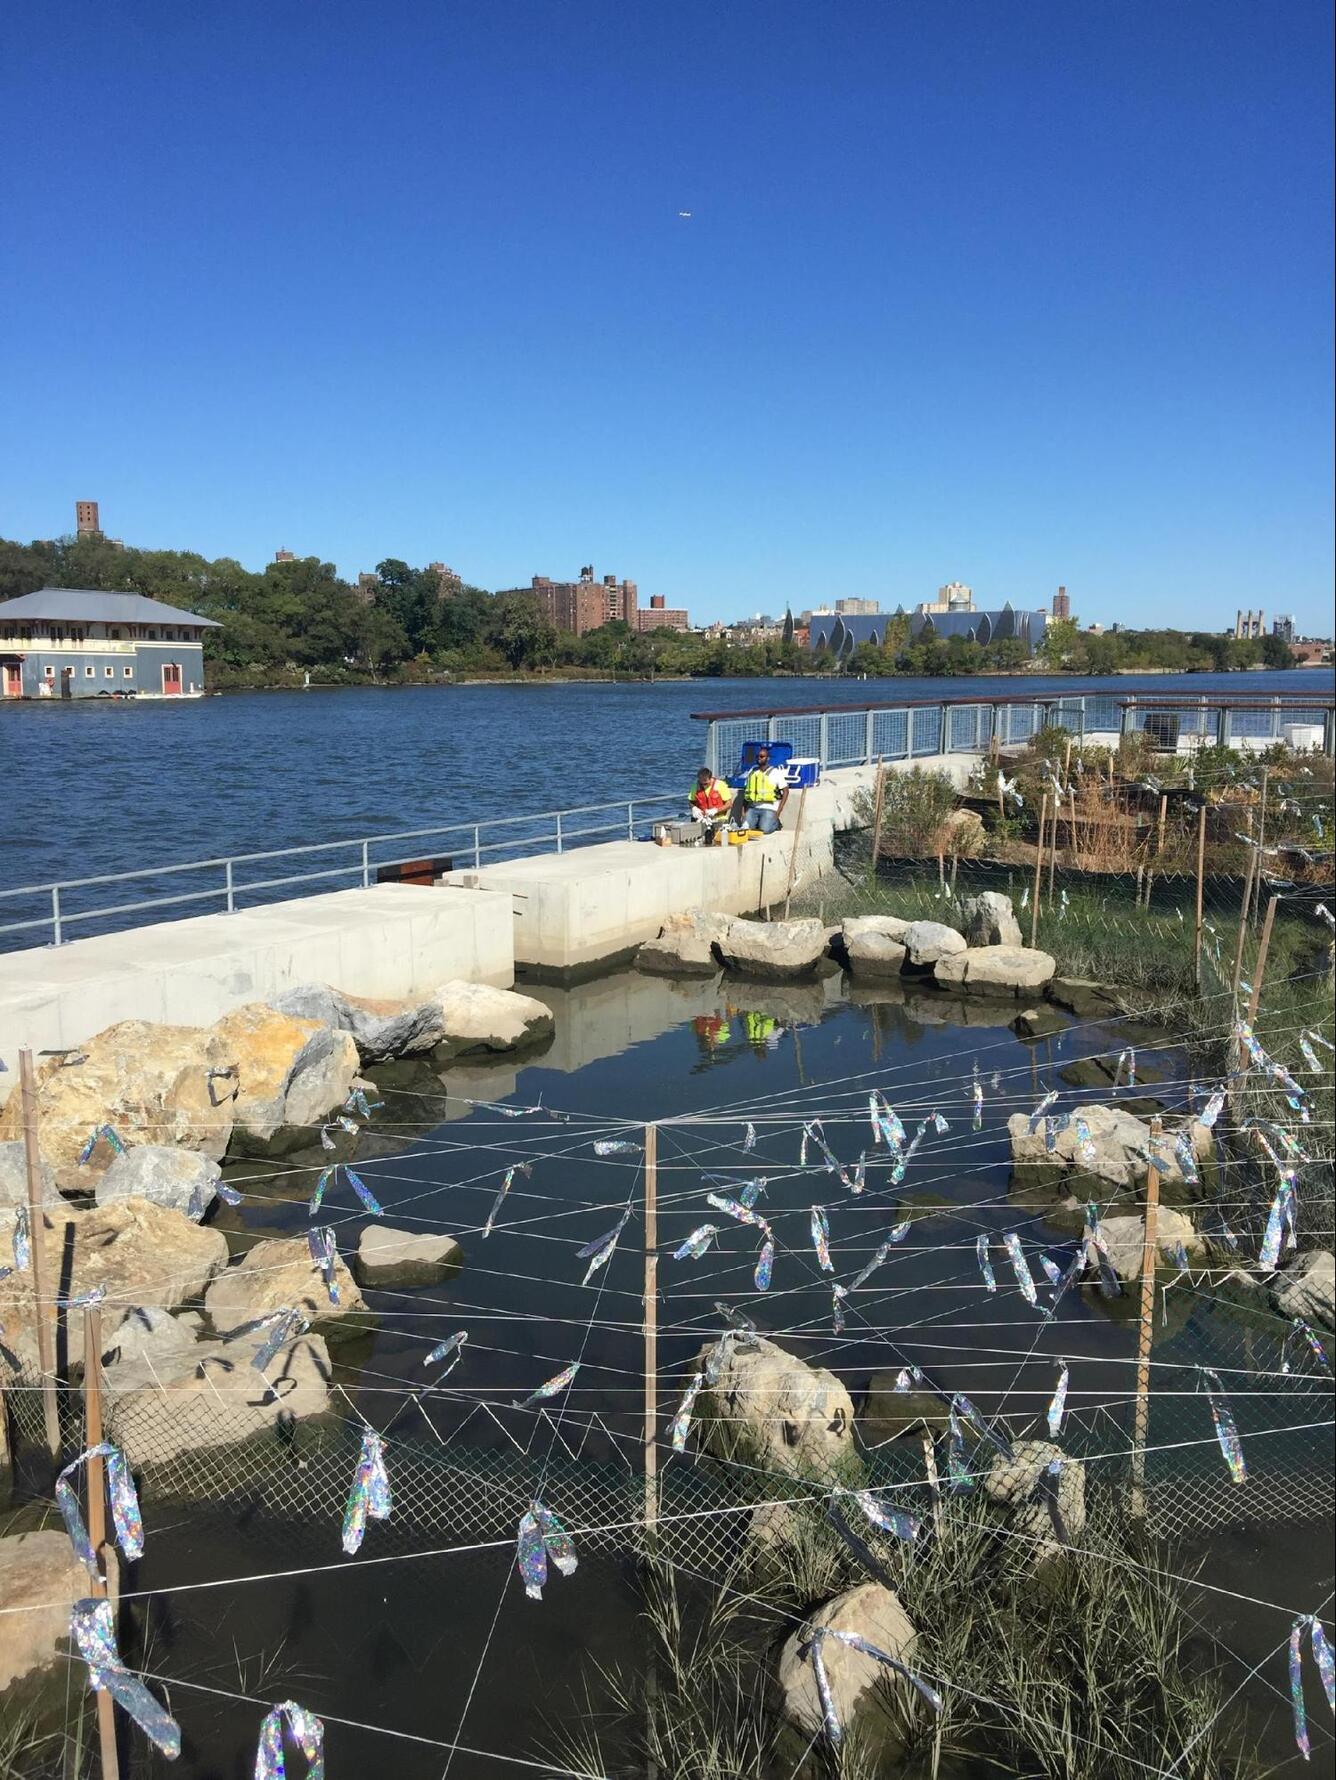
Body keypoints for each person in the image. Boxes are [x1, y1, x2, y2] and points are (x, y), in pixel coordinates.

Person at [741, 745, 789, 833]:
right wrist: (743, 812)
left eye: (762, 756)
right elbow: (746, 793)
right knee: (745, 828)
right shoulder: (752, 773)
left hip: (769, 807)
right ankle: (758, 822)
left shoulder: (775, 773)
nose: (759, 758)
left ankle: (776, 823)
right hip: (753, 807)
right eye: (757, 756)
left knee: (765, 830)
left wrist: (779, 811)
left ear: (768, 758)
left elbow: (785, 791)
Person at [688, 766, 732, 843]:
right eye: (702, 783)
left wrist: (716, 810)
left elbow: (729, 804)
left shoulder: (720, 785)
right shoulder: (695, 786)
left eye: (706, 783)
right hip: (702, 820)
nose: (704, 785)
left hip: (719, 820)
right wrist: (694, 808)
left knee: (717, 842)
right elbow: (691, 801)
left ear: (711, 778)